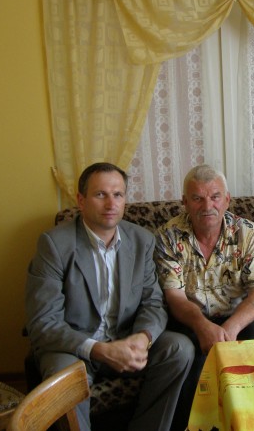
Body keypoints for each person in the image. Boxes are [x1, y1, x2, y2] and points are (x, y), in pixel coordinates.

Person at [25, 162, 194, 431]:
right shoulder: (54, 245)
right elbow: (43, 322)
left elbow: (153, 302)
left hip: (125, 338)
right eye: (100, 194)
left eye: (118, 195)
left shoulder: (141, 240)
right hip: (75, 347)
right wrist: (99, 349)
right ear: (81, 200)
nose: (111, 204)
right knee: (63, 377)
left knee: (179, 349)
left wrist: (143, 338)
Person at [155, 164, 254, 431]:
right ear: (185, 202)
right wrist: (202, 326)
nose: (207, 206)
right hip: (188, 319)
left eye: (215, 197)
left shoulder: (248, 232)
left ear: (227, 199)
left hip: (234, 317)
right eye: (197, 198)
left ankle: (253, 421)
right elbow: (175, 297)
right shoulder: (168, 236)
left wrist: (230, 328)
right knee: (194, 360)